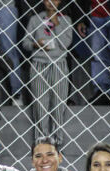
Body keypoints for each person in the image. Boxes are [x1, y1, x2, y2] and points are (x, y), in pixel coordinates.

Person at [23, 0, 74, 146]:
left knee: (58, 105)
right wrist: (35, 44)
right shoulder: (35, 19)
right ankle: (41, 141)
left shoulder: (66, 20)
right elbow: (25, 43)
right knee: (40, 106)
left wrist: (56, 22)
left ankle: (57, 142)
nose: (51, 3)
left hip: (59, 64)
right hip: (39, 64)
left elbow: (65, 43)